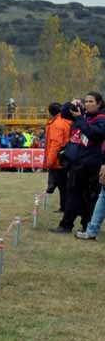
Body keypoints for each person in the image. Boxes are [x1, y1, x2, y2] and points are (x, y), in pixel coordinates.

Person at [54, 92, 105, 234]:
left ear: (99, 103)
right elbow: (63, 113)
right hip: (79, 161)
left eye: (91, 102)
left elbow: (94, 134)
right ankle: (66, 224)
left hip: (94, 162)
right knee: (72, 193)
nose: (87, 104)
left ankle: (87, 224)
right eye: (86, 101)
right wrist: (72, 103)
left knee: (89, 196)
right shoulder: (82, 115)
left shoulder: (101, 118)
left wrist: (79, 119)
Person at [43, 103, 71, 213]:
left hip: (59, 160)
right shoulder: (66, 122)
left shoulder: (56, 124)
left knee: (62, 186)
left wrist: (49, 162)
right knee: (64, 186)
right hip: (66, 158)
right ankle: (65, 206)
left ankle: (64, 207)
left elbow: (55, 144)